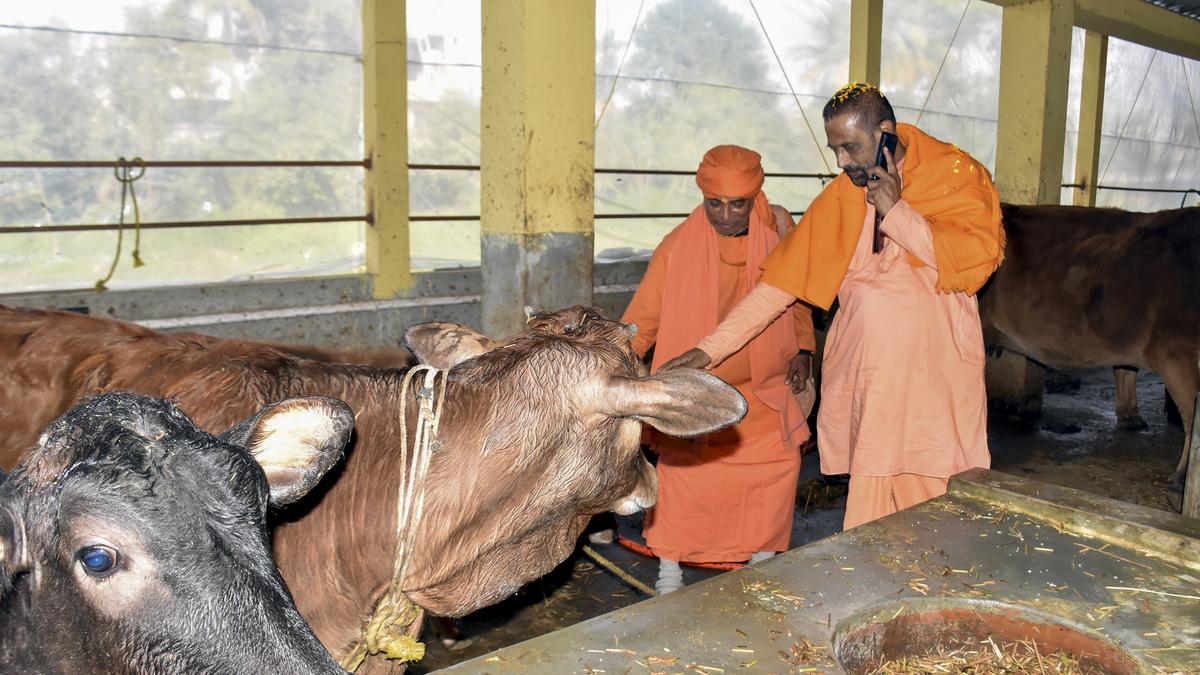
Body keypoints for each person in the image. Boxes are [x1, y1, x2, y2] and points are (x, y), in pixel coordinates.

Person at [661, 83, 1005, 531]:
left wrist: (897, 211)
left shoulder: (956, 174)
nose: (841, 162)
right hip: (870, 387)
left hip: (931, 389)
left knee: (937, 531)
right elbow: (778, 288)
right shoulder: (843, 195)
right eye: (834, 149)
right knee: (869, 531)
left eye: (849, 147)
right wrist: (709, 352)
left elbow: (970, 267)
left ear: (884, 130)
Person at [620, 144, 817, 594]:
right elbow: (643, 320)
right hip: (701, 388)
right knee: (687, 480)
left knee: (774, 467)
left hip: (765, 387)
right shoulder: (677, 247)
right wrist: (612, 362)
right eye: (715, 204)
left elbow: (797, 300)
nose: (726, 215)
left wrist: (804, 348)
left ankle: (763, 561)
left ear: (755, 196)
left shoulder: (781, 231)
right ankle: (670, 568)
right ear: (702, 197)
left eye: (738, 204)